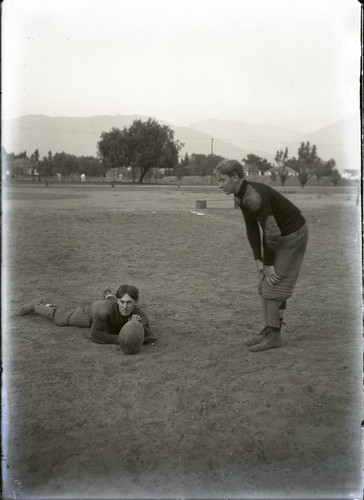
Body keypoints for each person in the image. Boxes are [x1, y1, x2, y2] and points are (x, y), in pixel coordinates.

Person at [214, 159, 308, 352]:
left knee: (273, 284)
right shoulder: (240, 196)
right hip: (279, 234)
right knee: (264, 285)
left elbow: (271, 232)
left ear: (235, 177)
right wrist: (258, 259)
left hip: (292, 235)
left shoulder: (253, 196)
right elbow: (251, 226)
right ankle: (269, 330)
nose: (219, 184)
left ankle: (274, 336)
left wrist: (268, 262)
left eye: (222, 180)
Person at [16, 284, 156, 346]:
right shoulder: (105, 311)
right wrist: (120, 339)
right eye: (122, 302)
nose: (125, 306)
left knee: (114, 306)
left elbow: (149, 337)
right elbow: (95, 334)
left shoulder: (139, 314)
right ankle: (37, 305)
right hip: (92, 314)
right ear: (118, 301)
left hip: (110, 307)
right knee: (60, 318)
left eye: (129, 302)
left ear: (136, 302)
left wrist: (137, 325)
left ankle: (108, 295)